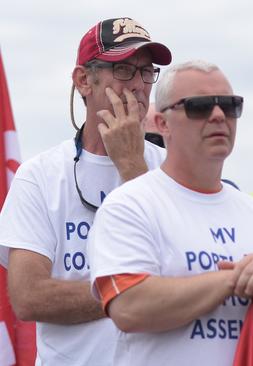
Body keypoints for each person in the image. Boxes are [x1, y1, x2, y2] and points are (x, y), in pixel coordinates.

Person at [86, 60, 253, 365]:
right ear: (162, 124)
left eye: (229, 106)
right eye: (199, 107)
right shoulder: (130, 204)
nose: (217, 116)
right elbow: (129, 307)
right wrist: (233, 280)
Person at [0, 17, 170, 365]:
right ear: (83, 81)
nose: (139, 85)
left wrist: (132, 167)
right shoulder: (40, 176)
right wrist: (134, 294)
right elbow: (29, 297)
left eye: (146, 71)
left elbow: (183, 272)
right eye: (124, 70)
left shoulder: (173, 168)